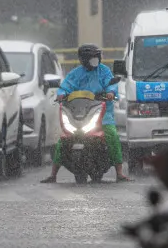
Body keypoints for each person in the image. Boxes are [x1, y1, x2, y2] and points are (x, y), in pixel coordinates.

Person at [40, 44, 130, 183]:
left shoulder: (104, 71)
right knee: (63, 139)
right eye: (93, 57)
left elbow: (111, 84)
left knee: (112, 135)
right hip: (78, 114)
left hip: (102, 114)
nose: (97, 60)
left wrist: (111, 92)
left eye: (97, 57)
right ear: (84, 59)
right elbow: (65, 86)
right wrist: (61, 94)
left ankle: (119, 173)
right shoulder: (76, 74)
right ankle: (53, 174)